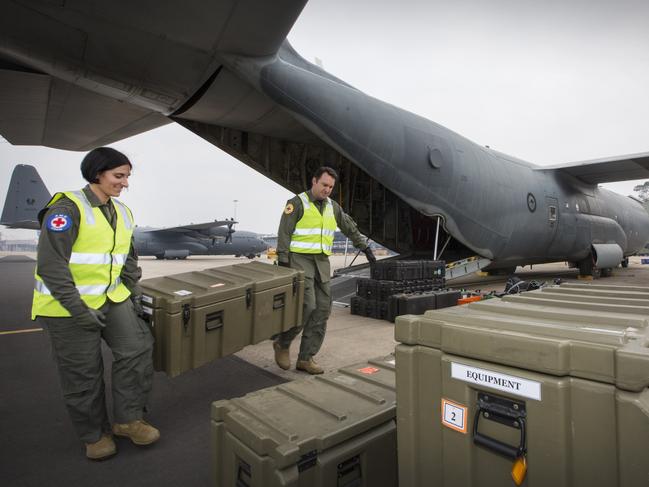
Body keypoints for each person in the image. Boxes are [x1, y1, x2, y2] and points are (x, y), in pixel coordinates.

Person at [31, 147, 158, 461]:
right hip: (66, 307)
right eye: (119, 175)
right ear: (97, 173)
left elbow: (128, 259)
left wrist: (131, 292)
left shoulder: (123, 212)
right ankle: (94, 435)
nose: (125, 183)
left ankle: (128, 420)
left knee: (137, 350)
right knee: (83, 375)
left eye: (127, 176)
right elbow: (51, 266)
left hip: (111, 299)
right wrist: (78, 309)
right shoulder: (66, 209)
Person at [272, 166, 375, 374]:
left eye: (331, 186)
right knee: (307, 306)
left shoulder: (333, 207)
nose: (327, 189)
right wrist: (283, 262)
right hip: (299, 261)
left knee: (322, 310)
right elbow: (284, 233)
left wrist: (365, 247)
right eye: (324, 185)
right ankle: (283, 343)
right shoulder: (297, 203)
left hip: (321, 262)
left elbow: (349, 227)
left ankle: (306, 358)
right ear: (314, 181)